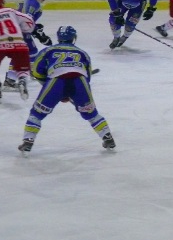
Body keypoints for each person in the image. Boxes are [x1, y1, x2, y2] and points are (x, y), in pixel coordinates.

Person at [18, 25, 116, 154]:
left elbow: (36, 71)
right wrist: (72, 94)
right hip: (80, 82)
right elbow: (87, 77)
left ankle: (28, 140)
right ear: (73, 37)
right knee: (91, 113)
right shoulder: (82, 53)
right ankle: (107, 137)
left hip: (56, 81)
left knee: (37, 113)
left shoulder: (48, 50)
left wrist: (50, 86)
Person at [3, 0, 52, 91]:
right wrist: (37, 32)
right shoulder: (34, 4)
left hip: (18, 31)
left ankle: (30, 72)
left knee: (31, 51)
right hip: (20, 32)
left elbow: (26, 20)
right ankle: (10, 80)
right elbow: (26, 20)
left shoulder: (29, 1)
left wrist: (35, 28)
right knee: (23, 53)